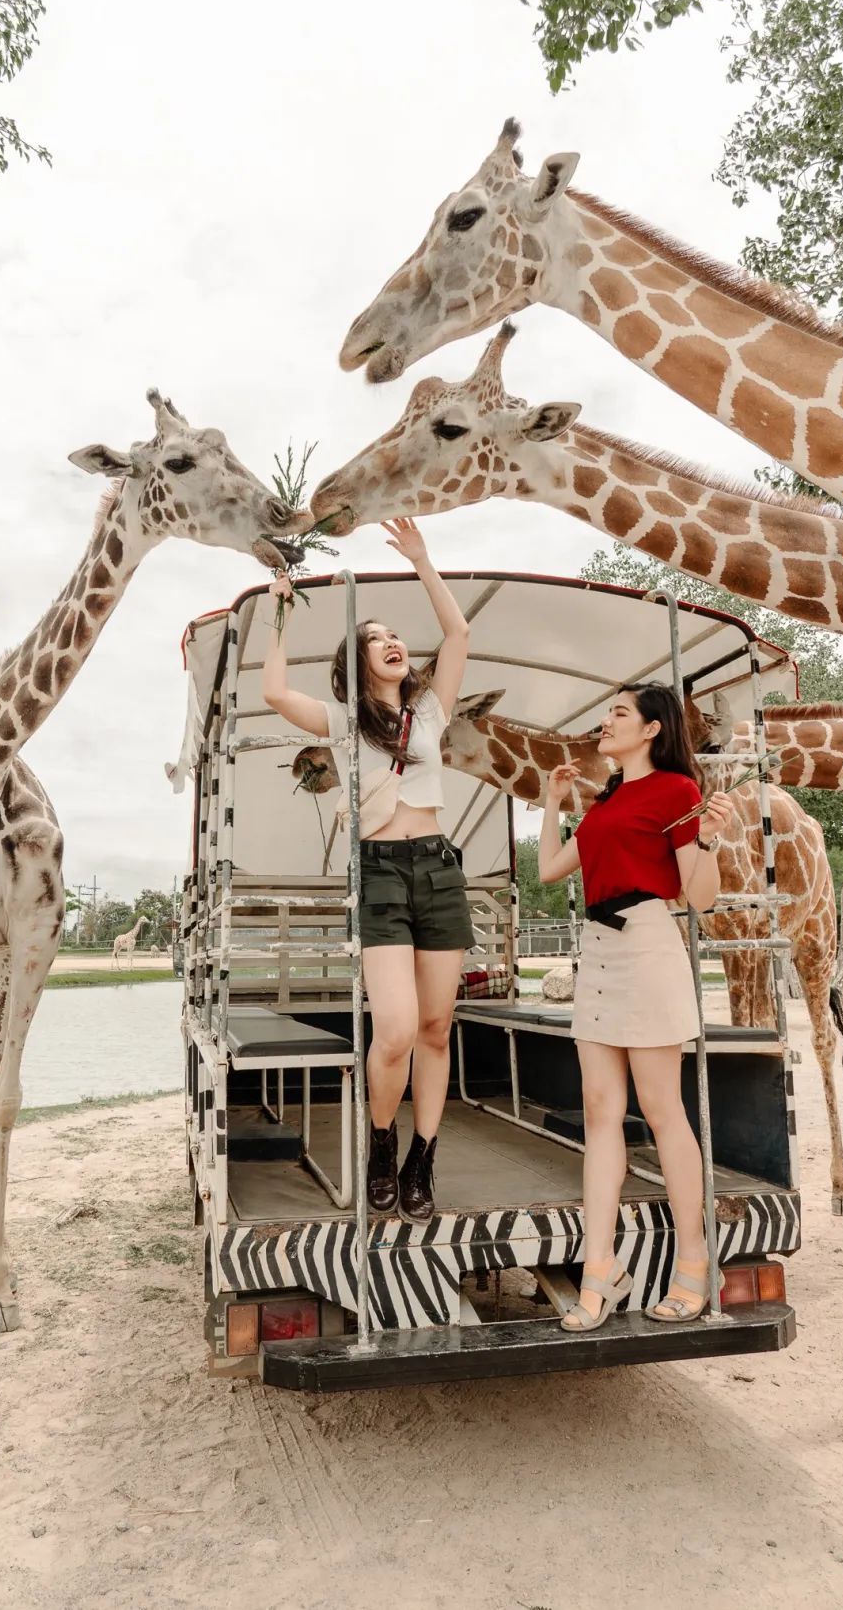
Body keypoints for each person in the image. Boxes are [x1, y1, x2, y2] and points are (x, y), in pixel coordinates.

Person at [262, 518, 472, 1223]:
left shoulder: (431, 711)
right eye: (375, 636)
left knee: (438, 1028)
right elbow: (273, 694)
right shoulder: (345, 721)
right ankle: (381, 1141)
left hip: (439, 869)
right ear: (356, 663)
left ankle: (423, 1157)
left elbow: (459, 636)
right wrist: (279, 617)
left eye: (395, 636)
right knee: (396, 1031)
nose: (391, 641)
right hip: (380, 869)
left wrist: (423, 561)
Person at [538, 682, 735, 1329]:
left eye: (619, 712)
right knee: (600, 1112)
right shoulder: (609, 799)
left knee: (661, 1109)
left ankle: (696, 1263)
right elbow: (548, 870)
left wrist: (709, 841)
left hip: (649, 943)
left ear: (652, 728)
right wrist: (552, 803)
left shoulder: (678, 792)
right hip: (597, 954)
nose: (606, 721)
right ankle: (601, 1272)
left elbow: (698, 897)